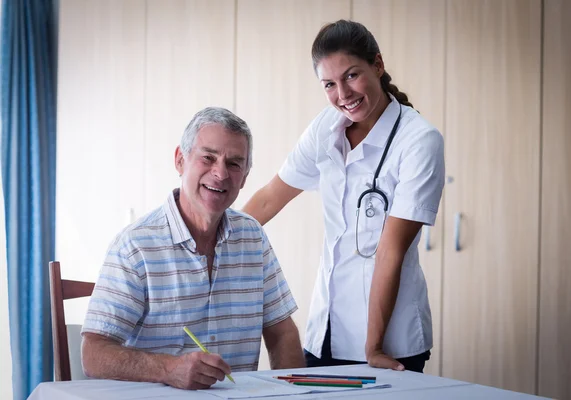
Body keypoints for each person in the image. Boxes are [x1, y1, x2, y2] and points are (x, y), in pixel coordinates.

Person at [242, 20, 445, 372]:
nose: (343, 94)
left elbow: (390, 250)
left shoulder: (418, 141)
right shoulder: (326, 128)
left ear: (377, 66)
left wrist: (374, 347)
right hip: (327, 330)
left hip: (389, 341)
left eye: (351, 76)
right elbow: (270, 197)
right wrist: (214, 235)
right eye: (329, 84)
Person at [81, 107, 305, 390]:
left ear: (245, 177)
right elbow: (93, 354)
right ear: (180, 160)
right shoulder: (135, 245)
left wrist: (292, 393)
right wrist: (167, 369)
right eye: (208, 158)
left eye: (234, 163)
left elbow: (282, 333)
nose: (221, 174)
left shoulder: (253, 237)